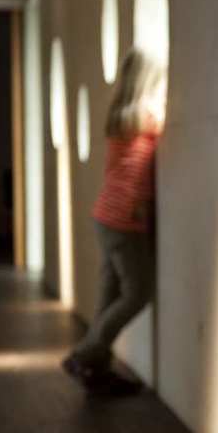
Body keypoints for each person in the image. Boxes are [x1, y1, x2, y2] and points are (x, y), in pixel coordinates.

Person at [62, 48, 166, 396]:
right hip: (124, 221)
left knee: (108, 297)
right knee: (137, 293)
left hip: (105, 216)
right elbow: (137, 176)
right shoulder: (147, 117)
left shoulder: (120, 116)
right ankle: (84, 355)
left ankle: (96, 368)